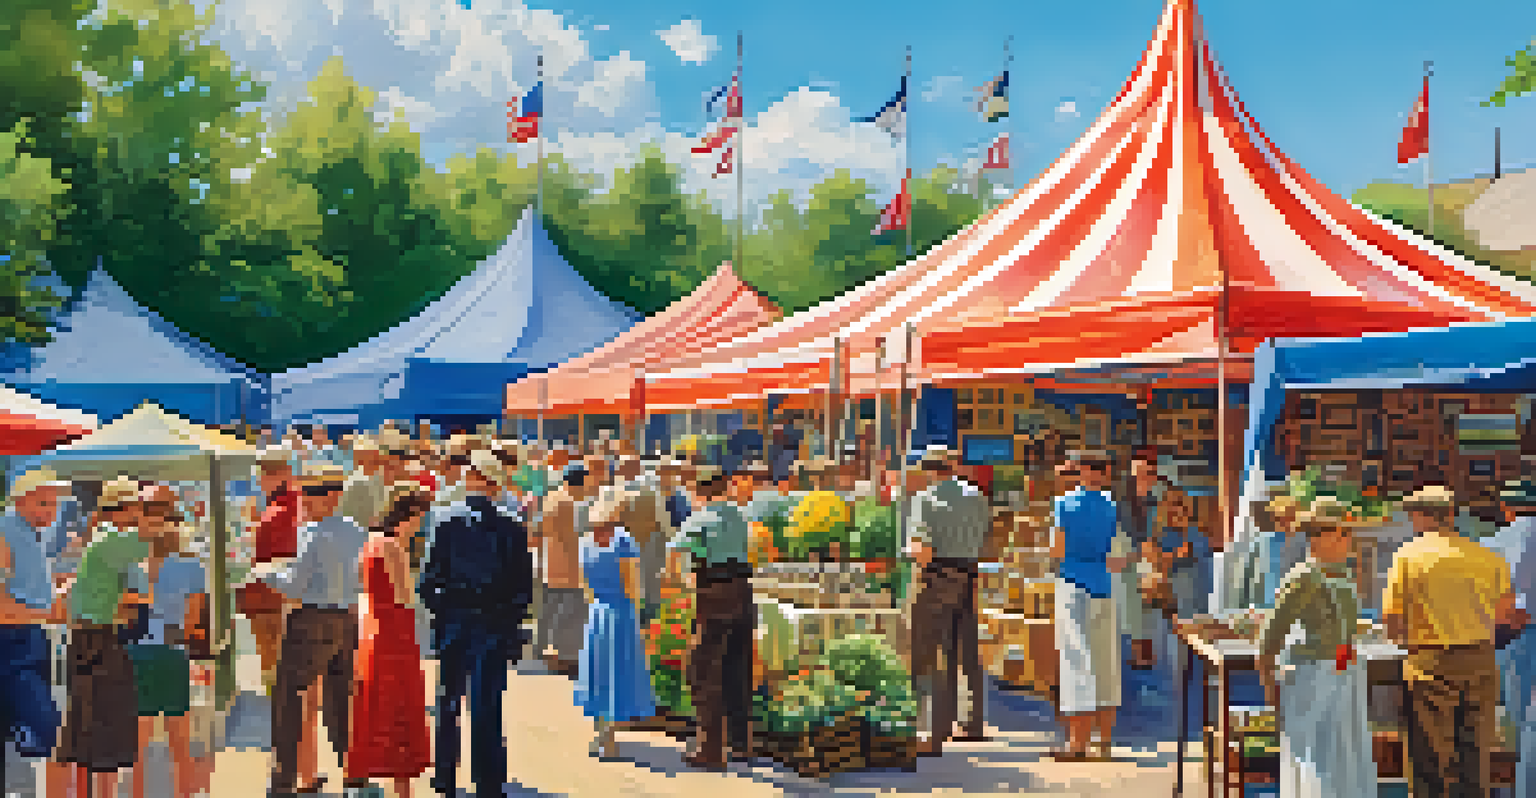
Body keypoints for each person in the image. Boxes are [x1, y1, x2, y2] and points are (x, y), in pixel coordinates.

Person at [1383, 484, 1524, 798]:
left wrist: (1408, 641)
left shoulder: (1408, 557)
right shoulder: (1489, 558)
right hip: (1481, 662)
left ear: (1422, 517)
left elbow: (1392, 621)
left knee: (1429, 761)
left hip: (1429, 663)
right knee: (1474, 759)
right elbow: (1507, 618)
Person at [419, 449, 533, 798]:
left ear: (469, 481)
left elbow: (428, 581)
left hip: (454, 620)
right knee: (487, 704)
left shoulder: (444, 521)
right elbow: (523, 588)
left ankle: (445, 777)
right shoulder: (512, 525)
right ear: (495, 485)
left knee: (448, 702)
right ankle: (488, 782)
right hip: (493, 623)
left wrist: (443, 612)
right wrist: (508, 621)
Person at [255, 464, 370, 797]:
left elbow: (294, 586)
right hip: (345, 618)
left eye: (312, 494)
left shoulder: (311, 532)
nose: (306, 500)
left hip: (311, 619)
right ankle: (353, 775)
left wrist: (265, 573)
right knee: (341, 702)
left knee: (288, 700)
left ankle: (283, 782)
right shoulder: (356, 531)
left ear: (330, 497)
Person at [1257, 510, 1374, 798]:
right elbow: (1270, 638)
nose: (1349, 539)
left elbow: (1345, 633)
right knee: (1316, 757)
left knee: (1345, 755)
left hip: (1343, 673)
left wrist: (1344, 666)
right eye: (1343, 533)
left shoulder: (1343, 576)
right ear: (1320, 537)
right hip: (1312, 677)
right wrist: (1269, 684)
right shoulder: (1303, 578)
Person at [55, 477, 152, 798]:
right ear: (124, 509)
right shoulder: (112, 538)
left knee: (87, 723)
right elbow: (150, 543)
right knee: (105, 723)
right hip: (97, 637)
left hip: (89, 635)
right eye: (137, 507)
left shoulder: (102, 538)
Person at [347, 482, 433, 798]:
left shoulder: (371, 541)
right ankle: (403, 789)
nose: (420, 526)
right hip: (396, 633)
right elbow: (405, 596)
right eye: (419, 518)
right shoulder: (395, 547)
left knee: (376, 708)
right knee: (402, 710)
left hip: (373, 632)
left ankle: (372, 777)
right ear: (409, 515)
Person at [905, 446, 991, 756]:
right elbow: (985, 540)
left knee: (928, 654)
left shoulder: (924, 499)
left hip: (936, 576)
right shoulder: (977, 497)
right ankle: (971, 722)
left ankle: (932, 732)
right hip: (968, 576)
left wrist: (914, 571)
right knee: (965, 650)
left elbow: (922, 549)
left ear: (928, 470)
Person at [126, 484, 208, 798]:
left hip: (136, 651)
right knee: (180, 741)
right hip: (172, 653)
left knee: (138, 743)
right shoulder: (192, 566)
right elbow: (192, 620)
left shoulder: (133, 567)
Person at [670, 465, 754, 770]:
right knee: (737, 668)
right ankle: (741, 744)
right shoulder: (739, 517)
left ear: (700, 490)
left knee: (702, 670)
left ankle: (711, 749)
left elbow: (675, 552)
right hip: (743, 593)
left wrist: (682, 582)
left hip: (714, 595)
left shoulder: (700, 518)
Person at [1049, 451, 1126, 761]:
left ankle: (1077, 744)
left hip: (1073, 584)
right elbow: (1118, 555)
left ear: (1081, 471)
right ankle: (1104, 741)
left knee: (1075, 661)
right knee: (1106, 662)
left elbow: (1057, 548)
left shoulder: (1063, 504)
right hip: (1104, 586)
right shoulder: (1112, 506)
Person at [0, 468, 72, 798]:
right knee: (52, 735)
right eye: (43, 503)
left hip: (27, 640)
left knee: (40, 735)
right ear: (19, 500)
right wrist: (49, 614)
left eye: (54, 504)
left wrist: (59, 592)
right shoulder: (5, 532)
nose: (51, 512)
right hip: (12, 643)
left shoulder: (28, 532)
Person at [575, 487, 656, 759]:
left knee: (597, 674)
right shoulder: (623, 541)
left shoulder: (585, 542)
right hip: (621, 613)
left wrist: (596, 604)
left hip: (597, 612)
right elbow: (632, 585)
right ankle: (609, 739)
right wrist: (638, 614)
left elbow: (584, 585)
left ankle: (599, 734)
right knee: (618, 674)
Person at [1484, 479, 1536, 798]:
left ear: (1506, 508)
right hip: (1519, 633)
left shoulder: (1494, 543)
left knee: (1516, 720)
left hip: (1513, 636)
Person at [238, 446, 300, 694]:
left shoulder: (279, 511)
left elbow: (268, 556)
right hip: (289, 590)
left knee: (272, 649)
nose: (261, 480)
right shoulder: (292, 503)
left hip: (273, 592)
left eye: (265, 473)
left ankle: (275, 693)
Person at [537, 461, 598, 679]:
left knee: (551, 614)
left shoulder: (550, 498)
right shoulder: (571, 504)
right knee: (570, 618)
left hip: (551, 566)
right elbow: (576, 537)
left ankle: (546, 654)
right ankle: (567, 660)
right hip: (570, 569)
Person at [1118, 454, 1164, 670]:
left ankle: (1145, 655)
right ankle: (1138, 655)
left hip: (1142, 557)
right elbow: (1131, 536)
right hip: (1128, 558)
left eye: (1150, 474)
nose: (1147, 479)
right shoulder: (1124, 503)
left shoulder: (1151, 501)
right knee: (1133, 607)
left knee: (1144, 609)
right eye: (1142, 474)